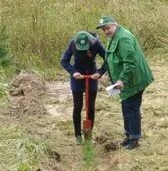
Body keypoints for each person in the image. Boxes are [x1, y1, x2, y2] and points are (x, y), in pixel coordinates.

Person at [96, 15, 153, 150]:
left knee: (131, 107)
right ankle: (128, 135)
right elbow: (109, 58)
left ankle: (134, 139)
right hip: (124, 80)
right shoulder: (113, 38)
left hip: (134, 79)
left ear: (115, 25)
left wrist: (122, 80)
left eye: (108, 28)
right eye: (103, 29)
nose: (106, 31)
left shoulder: (124, 38)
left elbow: (130, 62)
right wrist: (100, 72)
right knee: (125, 105)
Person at [60, 30, 108, 142]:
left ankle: (88, 135)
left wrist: (100, 72)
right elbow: (64, 60)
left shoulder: (96, 44)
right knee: (77, 107)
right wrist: (73, 72)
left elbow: (108, 58)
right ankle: (78, 136)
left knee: (90, 107)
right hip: (78, 77)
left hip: (92, 76)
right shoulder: (73, 43)